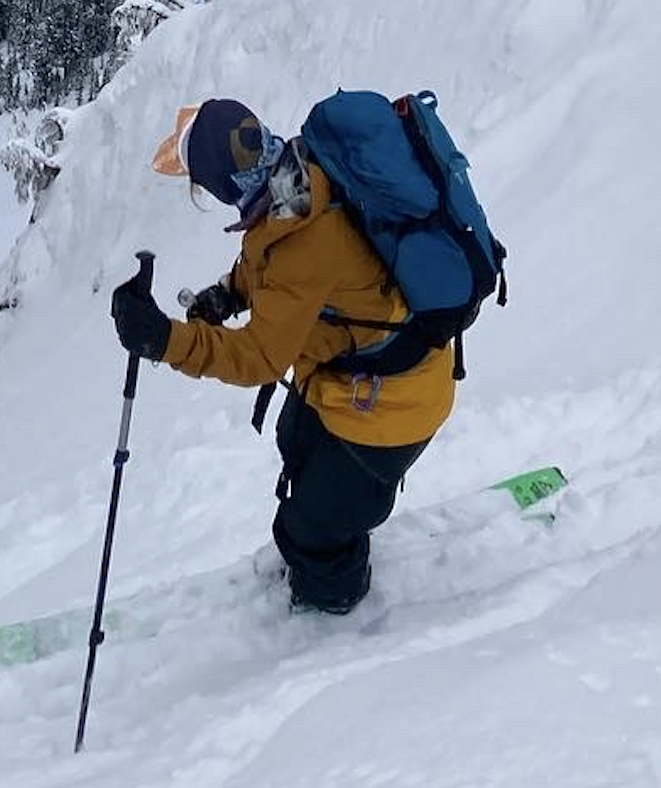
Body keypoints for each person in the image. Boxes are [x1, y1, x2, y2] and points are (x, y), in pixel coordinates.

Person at [108, 97, 457, 614]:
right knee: (293, 436)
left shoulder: (304, 235)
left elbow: (260, 359)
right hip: (352, 373)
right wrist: (229, 294)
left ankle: (335, 602)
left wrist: (164, 341)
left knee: (306, 527)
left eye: (202, 187)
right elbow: (269, 260)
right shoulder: (294, 177)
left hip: (395, 402)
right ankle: (329, 531)